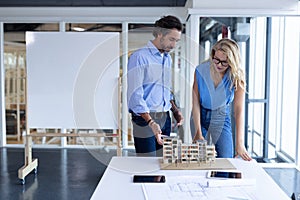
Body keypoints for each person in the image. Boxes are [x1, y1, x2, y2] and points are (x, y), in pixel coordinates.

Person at [127, 15, 184, 157]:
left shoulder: (167, 58)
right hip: (145, 120)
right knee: (147, 167)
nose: (174, 45)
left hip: (165, 118)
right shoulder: (139, 57)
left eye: (177, 41)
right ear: (160, 34)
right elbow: (135, 95)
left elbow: (165, 90)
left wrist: (175, 111)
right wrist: (151, 122)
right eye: (171, 39)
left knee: (163, 164)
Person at [191, 38, 252, 161]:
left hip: (221, 116)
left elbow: (238, 110)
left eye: (224, 62)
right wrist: (198, 132)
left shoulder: (236, 77)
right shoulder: (200, 70)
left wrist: (239, 143)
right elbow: (195, 103)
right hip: (200, 115)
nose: (219, 65)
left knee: (226, 159)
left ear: (231, 62)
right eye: (216, 60)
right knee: (201, 159)